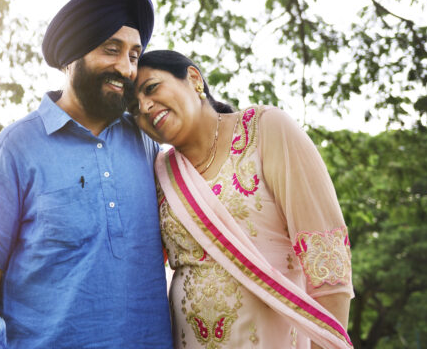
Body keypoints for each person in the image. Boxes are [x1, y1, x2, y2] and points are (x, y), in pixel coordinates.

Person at [0, 0, 173, 348]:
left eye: (134, 56)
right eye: (111, 50)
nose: (125, 68)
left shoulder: (147, 143)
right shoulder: (14, 148)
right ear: (72, 56)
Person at [133, 49, 354, 349]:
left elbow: (327, 261)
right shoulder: (160, 173)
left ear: (194, 79)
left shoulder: (266, 130)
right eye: (133, 107)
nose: (144, 106)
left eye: (151, 88)